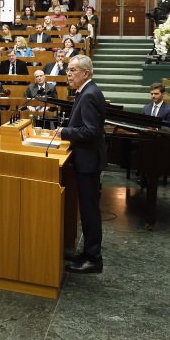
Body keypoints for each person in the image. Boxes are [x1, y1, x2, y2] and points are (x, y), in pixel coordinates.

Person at [57, 55, 106, 274]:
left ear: (85, 73)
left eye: (73, 70)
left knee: (89, 211)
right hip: (86, 159)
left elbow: (91, 131)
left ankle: (93, 258)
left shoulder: (89, 95)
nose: (69, 73)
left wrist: (65, 132)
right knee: (87, 210)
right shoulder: (86, 91)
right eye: (68, 69)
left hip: (88, 161)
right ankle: (87, 253)